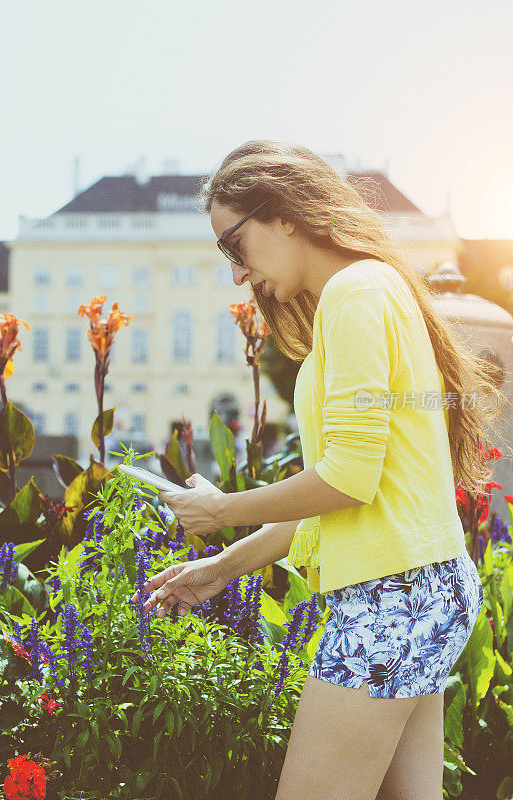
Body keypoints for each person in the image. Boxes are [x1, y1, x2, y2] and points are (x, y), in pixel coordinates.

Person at [130, 140, 508, 800]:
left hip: (393, 598)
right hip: (421, 588)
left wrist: (221, 512)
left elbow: (346, 478)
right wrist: (219, 568)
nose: (236, 274)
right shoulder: (373, 287)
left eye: (233, 246)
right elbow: (347, 499)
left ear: (282, 214)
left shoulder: (355, 293)